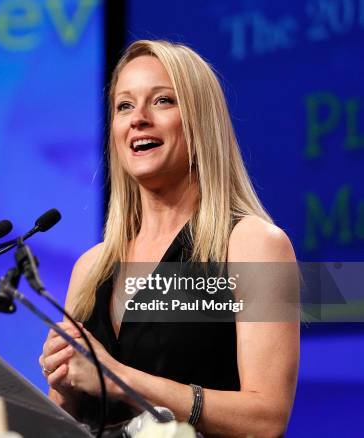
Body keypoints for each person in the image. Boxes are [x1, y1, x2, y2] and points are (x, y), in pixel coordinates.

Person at [39, 40, 299, 437]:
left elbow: (266, 419)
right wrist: (64, 386)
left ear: (200, 122)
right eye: (124, 106)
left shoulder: (253, 244)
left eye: (162, 101)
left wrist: (119, 379)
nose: (138, 118)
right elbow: (68, 420)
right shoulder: (91, 269)